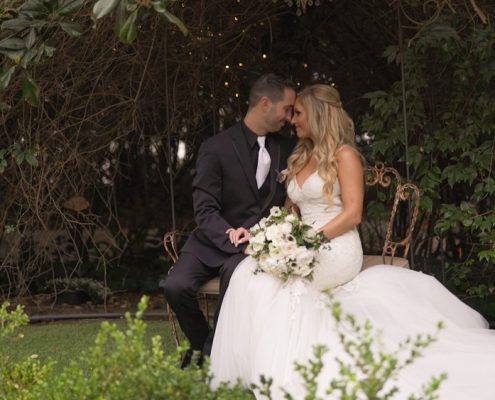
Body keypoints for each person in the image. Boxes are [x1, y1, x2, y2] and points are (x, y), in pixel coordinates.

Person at [210, 84, 495, 399]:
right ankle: (252, 370)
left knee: (290, 289)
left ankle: (291, 372)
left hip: (336, 245)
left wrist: (309, 241)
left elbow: (354, 214)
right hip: (302, 243)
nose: (293, 120)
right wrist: (266, 235)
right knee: (249, 272)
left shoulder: (345, 156)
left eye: (299, 113)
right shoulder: (300, 155)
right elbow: (290, 211)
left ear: (318, 115)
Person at [162, 73, 297, 363]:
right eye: (286, 109)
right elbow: (205, 208)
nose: (289, 117)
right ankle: (203, 346)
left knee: (235, 280)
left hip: (252, 248)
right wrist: (229, 234)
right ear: (265, 104)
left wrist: (263, 239)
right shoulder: (216, 147)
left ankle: (211, 358)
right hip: (212, 241)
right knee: (175, 286)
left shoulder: (286, 149)